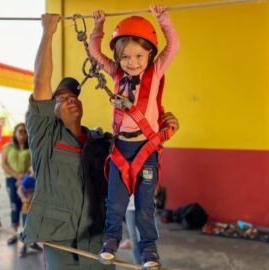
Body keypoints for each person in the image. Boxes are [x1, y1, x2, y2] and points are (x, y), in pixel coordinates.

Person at [19, 13, 179, 270]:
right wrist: (48, 33)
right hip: (60, 238)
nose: (69, 99)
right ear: (52, 109)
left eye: (73, 95)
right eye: (60, 98)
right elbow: (40, 81)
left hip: (99, 240)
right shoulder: (45, 137)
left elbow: (136, 150)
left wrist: (165, 129)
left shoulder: (101, 142)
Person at [89, 5, 180, 268]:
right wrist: (98, 26)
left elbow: (172, 46)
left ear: (150, 53)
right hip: (120, 151)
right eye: (125, 57)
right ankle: (111, 240)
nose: (132, 62)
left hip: (145, 150)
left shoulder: (155, 71)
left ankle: (149, 249)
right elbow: (95, 52)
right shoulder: (116, 74)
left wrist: (162, 19)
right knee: (115, 202)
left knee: (144, 206)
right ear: (118, 58)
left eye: (139, 55)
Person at [1, 122, 31, 245]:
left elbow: (33, 164)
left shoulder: (31, 147)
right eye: (20, 131)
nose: (22, 134)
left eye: (25, 132)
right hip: (12, 179)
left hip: (27, 180)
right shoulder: (8, 147)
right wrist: (17, 176)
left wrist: (24, 177)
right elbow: (4, 164)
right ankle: (14, 232)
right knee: (14, 205)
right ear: (15, 133)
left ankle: (28, 234)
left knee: (27, 205)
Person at [17, 172, 42, 257]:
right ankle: (23, 247)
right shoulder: (28, 179)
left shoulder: (39, 179)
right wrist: (23, 198)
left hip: (35, 208)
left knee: (35, 226)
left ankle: (33, 243)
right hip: (27, 209)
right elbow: (19, 190)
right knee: (26, 228)